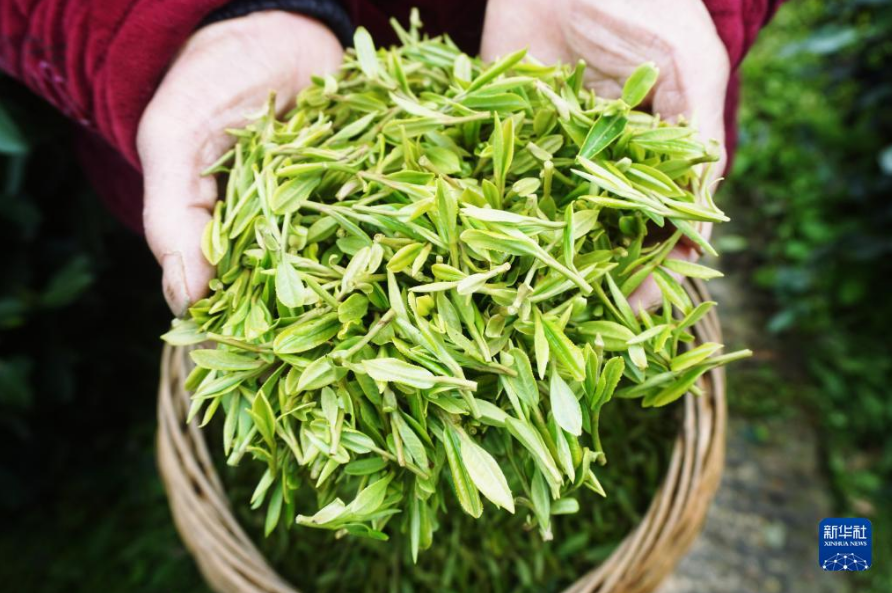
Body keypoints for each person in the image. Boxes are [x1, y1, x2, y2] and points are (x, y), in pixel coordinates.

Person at [0, 0, 784, 314]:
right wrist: (140, 27)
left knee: (618, 300)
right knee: (219, 278)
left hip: (586, 82)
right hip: (261, 116)